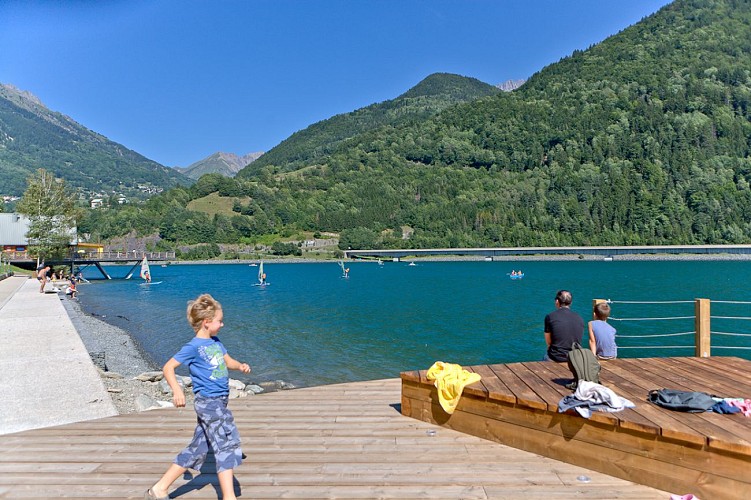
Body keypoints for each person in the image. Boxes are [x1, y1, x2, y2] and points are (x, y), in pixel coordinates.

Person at [146, 294, 251, 500]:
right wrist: (177, 391)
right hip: (208, 403)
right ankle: (229, 497)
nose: (222, 324)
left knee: (198, 448)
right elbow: (168, 367)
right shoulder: (193, 347)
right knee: (225, 444)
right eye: (219, 321)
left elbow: (227, 361)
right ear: (206, 323)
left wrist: (239, 366)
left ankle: (160, 488)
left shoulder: (216, 342)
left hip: (220, 401)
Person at [543, 289, 585, 362]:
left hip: (555, 357)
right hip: (574, 358)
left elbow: (548, 342)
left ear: (557, 302)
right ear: (570, 302)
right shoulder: (579, 318)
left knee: (545, 357)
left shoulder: (550, 317)